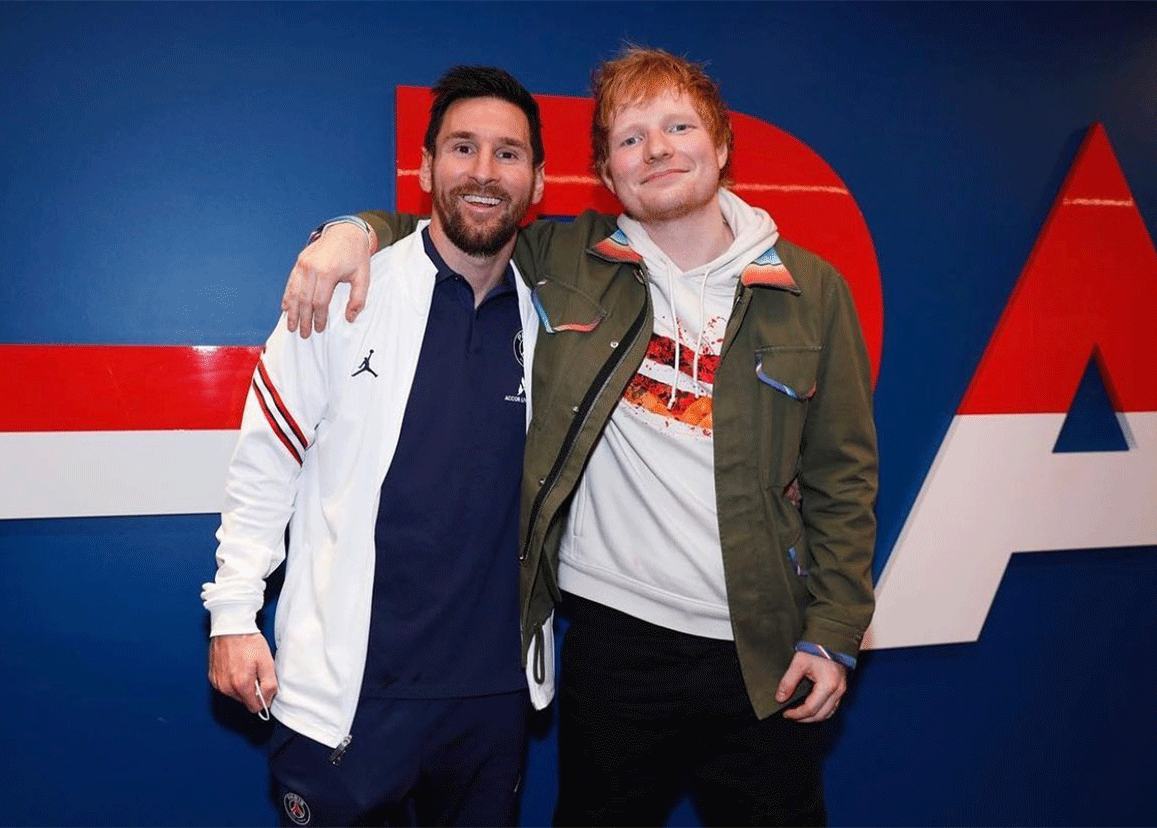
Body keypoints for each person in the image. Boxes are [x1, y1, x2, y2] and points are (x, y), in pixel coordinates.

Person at [286, 47, 877, 827]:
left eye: (678, 126)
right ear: (606, 170)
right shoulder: (565, 257)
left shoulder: (812, 290)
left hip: (761, 653)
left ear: (723, 145)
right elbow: (452, 224)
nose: (657, 149)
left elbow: (843, 476)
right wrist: (349, 233)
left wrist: (833, 629)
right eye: (631, 138)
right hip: (613, 647)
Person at [202, 65, 553, 828]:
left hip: (493, 699)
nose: (484, 173)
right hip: (348, 693)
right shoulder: (343, 293)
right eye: (462, 148)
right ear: (425, 168)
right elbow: (266, 460)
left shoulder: (559, 318)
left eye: (508, 153)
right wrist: (232, 614)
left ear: (539, 180)